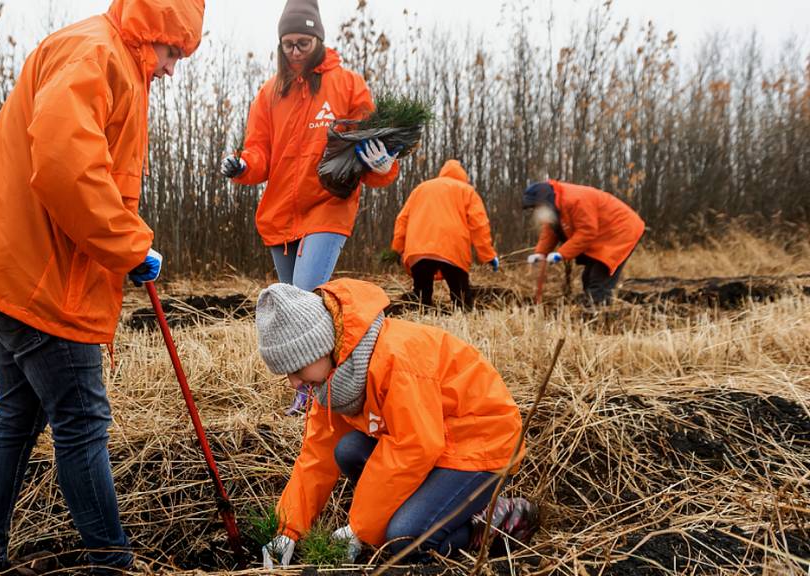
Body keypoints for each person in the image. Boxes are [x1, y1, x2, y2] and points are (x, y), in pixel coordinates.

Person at [0, 1, 204, 573]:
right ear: (152, 31)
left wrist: (120, 244)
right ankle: (112, 562)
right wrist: (128, 244)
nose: (173, 67)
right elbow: (63, 166)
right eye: (173, 50)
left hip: (17, 267)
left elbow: (87, 168)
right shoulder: (96, 52)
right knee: (82, 423)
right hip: (40, 280)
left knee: (18, 417)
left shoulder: (108, 54)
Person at [254, 279, 539, 567]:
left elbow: (415, 446)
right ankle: (430, 508)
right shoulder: (334, 380)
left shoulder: (396, 360)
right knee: (348, 449)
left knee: (404, 540)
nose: (293, 382)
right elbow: (317, 456)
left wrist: (358, 528)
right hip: (434, 441)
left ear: (321, 345)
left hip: (481, 445)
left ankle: (492, 521)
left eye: (296, 368)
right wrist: (287, 530)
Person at [219, 0, 400, 415]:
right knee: (289, 306)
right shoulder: (270, 92)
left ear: (318, 40)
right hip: (280, 214)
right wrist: (243, 165)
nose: (295, 51)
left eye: (303, 42)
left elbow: (375, 149)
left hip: (328, 208)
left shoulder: (348, 85)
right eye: (287, 44)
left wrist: (382, 164)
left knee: (304, 300)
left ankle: (316, 395)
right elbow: (259, 152)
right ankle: (313, 385)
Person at [391, 160, 498, 309]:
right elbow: (479, 225)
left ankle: (421, 324)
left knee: (421, 297)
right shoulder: (466, 190)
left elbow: (402, 219)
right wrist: (488, 255)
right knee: (461, 296)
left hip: (418, 251)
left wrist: (397, 248)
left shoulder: (421, 188)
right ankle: (463, 321)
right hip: (452, 250)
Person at [523, 180, 645, 306]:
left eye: (536, 207)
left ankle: (599, 315)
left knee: (599, 280)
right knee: (587, 277)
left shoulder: (575, 200)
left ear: (545, 201)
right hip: (602, 235)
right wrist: (540, 253)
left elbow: (587, 232)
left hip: (620, 231)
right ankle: (592, 307)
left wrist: (561, 254)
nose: (535, 211)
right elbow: (552, 230)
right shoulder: (555, 205)